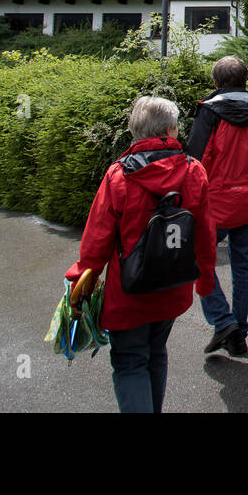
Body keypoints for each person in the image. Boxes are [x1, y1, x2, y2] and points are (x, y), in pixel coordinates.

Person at [65, 95, 216, 413]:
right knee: (156, 352)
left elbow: (96, 243)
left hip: (129, 293)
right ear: (172, 130)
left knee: (131, 362)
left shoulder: (118, 176)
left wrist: (80, 286)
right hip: (174, 288)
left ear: (135, 132)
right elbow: (204, 233)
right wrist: (204, 280)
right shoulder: (194, 171)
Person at [186, 55, 248, 357]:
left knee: (197, 259)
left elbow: (195, 159)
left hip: (216, 203)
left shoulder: (208, 111)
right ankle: (239, 329)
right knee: (243, 265)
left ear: (216, 82)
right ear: (245, 80)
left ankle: (223, 322)